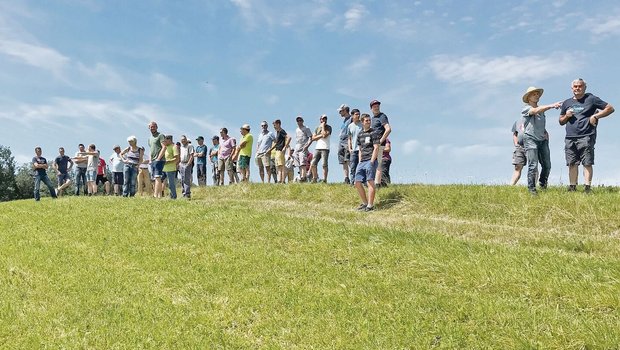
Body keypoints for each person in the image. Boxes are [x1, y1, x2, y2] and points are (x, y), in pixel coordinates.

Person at [559, 78, 615, 193]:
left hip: (586, 135)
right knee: (571, 163)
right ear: (572, 88)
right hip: (570, 137)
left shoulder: (591, 99)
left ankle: (587, 188)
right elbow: (561, 121)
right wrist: (567, 116)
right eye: (575, 86)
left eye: (580, 86)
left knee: (587, 162)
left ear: (585, 87)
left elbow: (610, 108)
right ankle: (572, 187)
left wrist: (595, 116)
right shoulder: (567, 103)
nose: (577, 88)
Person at [521, 86, 559, 195]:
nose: (537, 95)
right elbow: (535, 110)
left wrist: (545, 132)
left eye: (538, 94)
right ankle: (532, 189)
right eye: (534, 94)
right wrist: (551, 106)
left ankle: (543, 185)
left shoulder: (542, 111)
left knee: (547, 165)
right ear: (528, 97)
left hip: (542, 140)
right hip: (530, 139)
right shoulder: (526, 108)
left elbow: (538, 123)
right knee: (533, 165)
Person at [354, 114, 380, 212]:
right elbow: (360, 149)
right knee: (357, 182)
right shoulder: (360, 134)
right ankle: (365, 203)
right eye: (366, 120)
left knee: (370, 181)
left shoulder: (374, 132)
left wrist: (372, 161)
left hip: (370, 160)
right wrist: (360, 161)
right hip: (362, 161)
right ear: (362, 122)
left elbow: (376, 147)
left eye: (369, 120)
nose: (369, 122)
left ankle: (370, 205)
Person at [369, 99, 391, 186]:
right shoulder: (372, 119)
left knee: (378, 164)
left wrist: (380, 141)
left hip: (378, 145)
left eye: (377, 105)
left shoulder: (382, 116)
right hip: (372, 145)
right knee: (372, 164)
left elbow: (388, 129)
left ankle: (378, 185)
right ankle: (373, 183)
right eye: (374, 106)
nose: (376, 107)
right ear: (371, 108)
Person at [310, 114, 332, 183]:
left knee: (324, 164)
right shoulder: (317, 128)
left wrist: (322, 127)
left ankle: (325, 179)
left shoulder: (329, 127)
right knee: (313, 163)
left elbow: (325, 135)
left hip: (325, 148)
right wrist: (321, 135)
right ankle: (314, 178)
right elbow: (313, 138)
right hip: (317, 147)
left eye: (325, 119)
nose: (324, 120)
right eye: (322, 119)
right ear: (320, 120)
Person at [268, 119, 291, 183]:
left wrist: (285, 147)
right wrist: (270, 150)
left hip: (280, 151)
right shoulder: (278, 132)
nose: (274, 127)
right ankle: (280, 180)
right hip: (277, 151)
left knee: (281, 167)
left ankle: (282, 181)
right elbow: (276, 144)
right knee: (279, 167)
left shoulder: (281, 131)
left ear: (278, 124)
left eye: (275, 125)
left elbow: (289, 137)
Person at [148, 121, 166, 198]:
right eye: (151, 127)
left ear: (157, 127)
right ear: (149, 128)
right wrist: (150, 159)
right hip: (153, 160)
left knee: (158, 177)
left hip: (159, 160)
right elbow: (151, 149)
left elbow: (164, 147)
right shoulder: (149, 138)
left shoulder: (160, 135)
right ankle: (159, 196)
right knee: (155, 178)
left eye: (154, 126)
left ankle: (155, 195)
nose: (152, 128)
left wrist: (158, 158)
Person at [293, 116, 313, 181]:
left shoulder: (306, 128)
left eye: (300, 120)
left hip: (303, 147)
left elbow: (310, 137)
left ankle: (303, 177)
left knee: (303, 162)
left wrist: (307, 146)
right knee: (298, 163)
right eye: (298, 121)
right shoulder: (296, 129)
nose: (299, 122)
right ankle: (301, 176)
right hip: (297, 147)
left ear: (302, 121)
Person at [159, 135, 178, 199]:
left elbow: (177, 159)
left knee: (171, 184)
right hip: (163, 169)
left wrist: (167, 162)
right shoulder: (165, 147)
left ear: (169, 140)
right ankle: (160, 195)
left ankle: (173, 197)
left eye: (165, 140)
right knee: (159, 182)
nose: (164, 142)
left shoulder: (174, 147)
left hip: (171, 169)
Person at [337, 104, 352, 184]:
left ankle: (354, 176)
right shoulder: (344, 120)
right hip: (341, 141)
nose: (340, 113)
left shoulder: (351, 119)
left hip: (347, 141)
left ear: (345, 110)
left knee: (348, 159)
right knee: (343, 160)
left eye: (340, 111)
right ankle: (346, 178)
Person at [347, 109, 362, 184]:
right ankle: (352, 183)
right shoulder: (350, 126)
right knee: (353, 167)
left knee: (362, 166)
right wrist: (350, 148)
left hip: (362, 150)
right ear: (352, 115)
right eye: (356, 114)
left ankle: (362, 182)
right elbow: (349, 138)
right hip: (353, 150)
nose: (358, 116)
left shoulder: (362, 124)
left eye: (359, 114)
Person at [510, 118, 527, 185]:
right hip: (520, 146)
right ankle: (511, 186)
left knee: (533, 167)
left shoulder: (536, 120)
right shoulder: (518, 122)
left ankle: (533, 185)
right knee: (517, 167)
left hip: (531, 146)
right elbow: (515, 134)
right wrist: (516, 144)